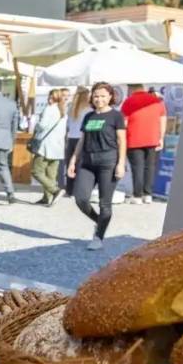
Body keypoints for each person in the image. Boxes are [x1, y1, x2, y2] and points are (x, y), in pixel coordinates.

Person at [67, 82, 127, 251]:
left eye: (102, 96)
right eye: (96, 96)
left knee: (104, 203)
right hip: (87, 162)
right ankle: (99, 221)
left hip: (108, 162)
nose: (99, 99)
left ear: (110, 97)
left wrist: (121, 164)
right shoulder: (88, 116)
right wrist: (73, 160)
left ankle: (98, 236)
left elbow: (122, 141)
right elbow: (82, 140)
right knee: (81, 199)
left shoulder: (116, 116)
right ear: (91, 97)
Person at [121, 83, 166, 204]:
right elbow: (162, 120)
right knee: (150, 167)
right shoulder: (156, 101)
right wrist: (161, 137)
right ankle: (148, 194)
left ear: (131, 89)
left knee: (137, 168)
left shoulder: (128, 101)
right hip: (153, 139)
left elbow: (124, 123)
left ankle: (137, 196)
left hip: (133, 139)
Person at [31, 88, 69, 205]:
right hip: (58, 147)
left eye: (50, 97)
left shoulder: (49, 109)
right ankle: (47, 198)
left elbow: (42, 125)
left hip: (46, 145)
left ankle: (55, 191)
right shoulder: (63, 111)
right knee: (51, 174)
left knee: (36, 171)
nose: (48, 99)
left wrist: (36, 124)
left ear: (54, 98)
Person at [62, 86, 90, 196]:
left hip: (71, 138)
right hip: (82, 138)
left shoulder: (71, 108)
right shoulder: (89, 109)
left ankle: (70, 189)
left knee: (70, 164)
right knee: (80, 165)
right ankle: (78, 190)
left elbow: (68, 125)